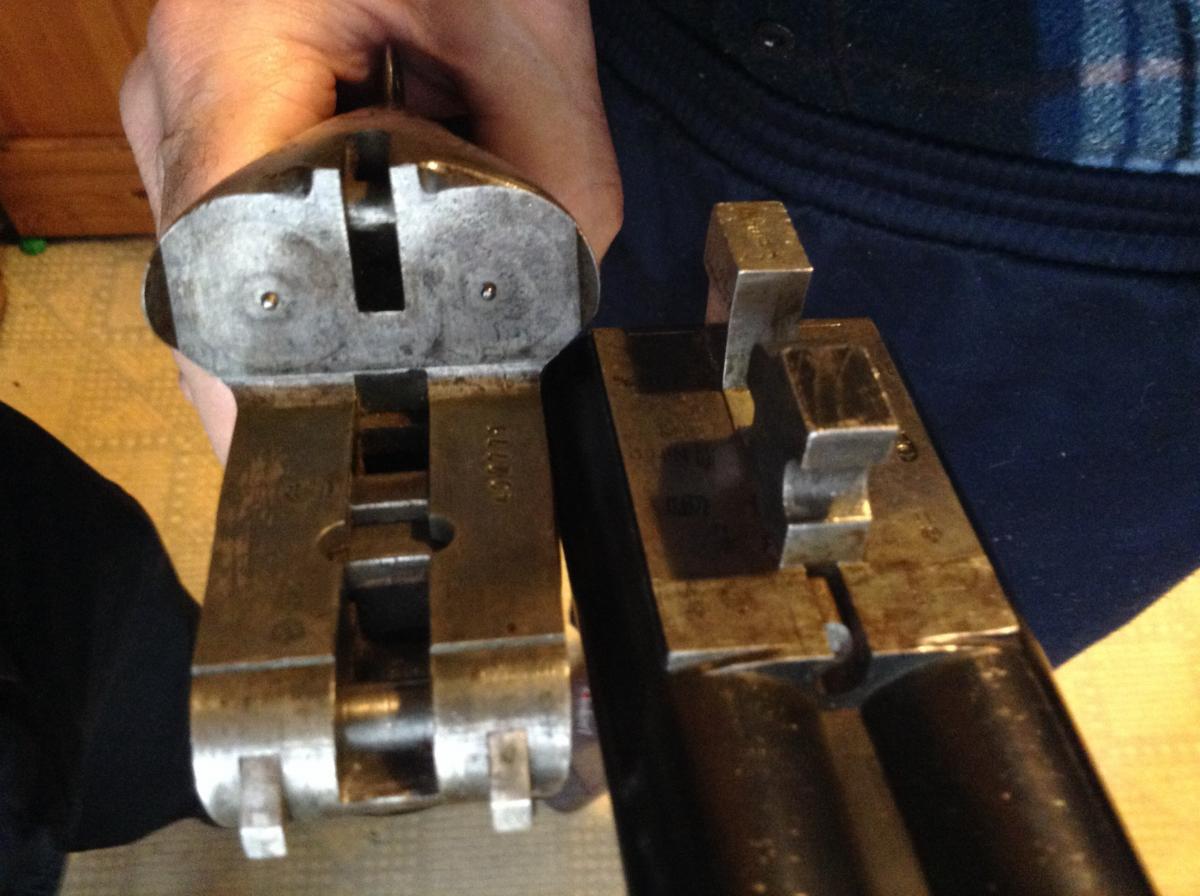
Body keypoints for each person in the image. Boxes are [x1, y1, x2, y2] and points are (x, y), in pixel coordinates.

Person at [3, 0, 1198, 890]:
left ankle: (606, 706)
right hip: (752, 73)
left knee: (903, 679)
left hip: (1127, 267)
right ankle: (606, 703)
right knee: (631, 453)